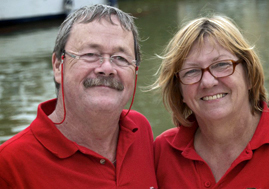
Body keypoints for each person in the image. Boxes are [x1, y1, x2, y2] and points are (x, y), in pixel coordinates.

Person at [0, 4, 158, 189]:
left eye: (121, 58)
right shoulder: (9, 165)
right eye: (90, 54)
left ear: (135, 72)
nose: (106, 68)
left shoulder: (140, 130)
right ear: (58, 66)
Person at [152, 15, 269, 188]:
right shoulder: (162, 153)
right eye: (191, 71)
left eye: (222, 65)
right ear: (180, 91)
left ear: (249, 75)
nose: (208, 82)